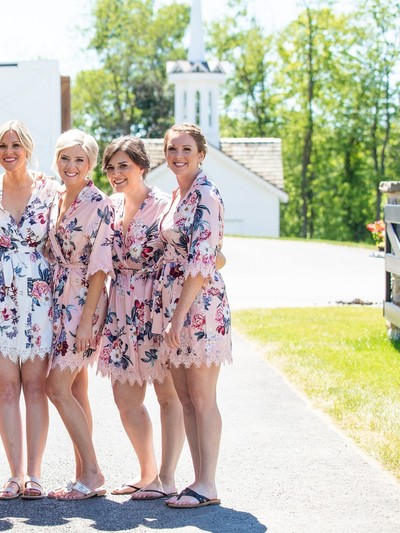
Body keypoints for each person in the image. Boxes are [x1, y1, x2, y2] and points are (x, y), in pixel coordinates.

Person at [96, 135, 184, 501]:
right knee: (125, 398)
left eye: (124, 166)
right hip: (120, 307)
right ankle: (147, 472)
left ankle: (167, 477)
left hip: (156, 304)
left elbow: (194, 249)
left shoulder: (165, 205)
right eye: (112, 167)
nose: (117, 174)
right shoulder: (110, 206)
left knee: (168, 395)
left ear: (142, 167)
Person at [0, 120, 59, 500]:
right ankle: (13, 474)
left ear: (27, 148)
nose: (9, 151)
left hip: (39, 297)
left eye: (16, 144)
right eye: (3, 146)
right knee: (6, 387)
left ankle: (35, 474)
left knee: (36, 386)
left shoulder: (50, 189)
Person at [154, 123, 232, 509]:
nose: (178, 156)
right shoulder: (177, 194)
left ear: (201, 154)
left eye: (186, 149)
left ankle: (208, 482)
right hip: (175, 304)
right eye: (171, 149)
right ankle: (200, 482)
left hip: (197, 307)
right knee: (185, 396)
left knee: (202, 396)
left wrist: (178, 316)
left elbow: (203, 262)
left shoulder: (206, 194)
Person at [45, 129, 114, 501]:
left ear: (89, 165)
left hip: (83, 300)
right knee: (75, 387)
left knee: (55, 386)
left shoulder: (98, 203)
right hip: (57, 297)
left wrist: (87, 320)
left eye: (79, 160)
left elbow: (101, 266)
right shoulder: (56, 198)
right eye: (65, 158)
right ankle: (82, 474)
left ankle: (92, 471)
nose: (71, 166)